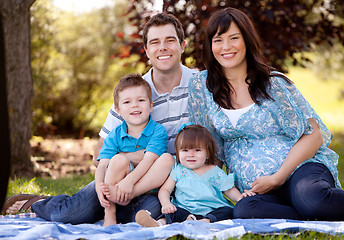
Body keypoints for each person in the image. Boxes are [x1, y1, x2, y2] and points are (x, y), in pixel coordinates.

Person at [3, 12, 198, 225]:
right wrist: (136, 158)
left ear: (182, 46)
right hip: (119, 175)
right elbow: (99, 155)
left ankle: (109, 210)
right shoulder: (135, 93)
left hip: (162, 185)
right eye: (155, 42)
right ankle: (40, 203)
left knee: (144, 216)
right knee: (67, 215)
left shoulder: (200, 86)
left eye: (170, 40)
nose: (163, 47)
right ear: (147, 52)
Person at [188, 7, 344, 221]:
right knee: (244, 211)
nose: (226, 47)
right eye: (218, 40)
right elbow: (208, 147)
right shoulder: (201, 87)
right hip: (258, 190)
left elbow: (314, 135)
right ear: (210, 45)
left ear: (247, 41)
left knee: (311, 198)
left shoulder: (273, 83)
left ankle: (326, 207)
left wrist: (277, 178)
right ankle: (314, 213)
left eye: (234, 38)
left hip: (300, 170)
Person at [135, 124, 253, 227]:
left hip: (211, 210)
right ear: (178, 152)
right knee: (171, 212)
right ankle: (159, 224)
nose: (190, 155)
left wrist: (239, 199)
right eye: (185, 151)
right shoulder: (179, 170)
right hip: (185, 210)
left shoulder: (215, 172)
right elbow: (165, 190)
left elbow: (229, 190)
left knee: (226, 211)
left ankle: (204, 222)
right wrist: (166, 204)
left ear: (208, 153)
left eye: (197, 150)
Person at [95, 74, 169, 226]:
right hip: (117, 186)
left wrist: (129, 183)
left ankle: (124, 196)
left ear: (150, 105)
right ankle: (110, 213)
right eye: (127, 102)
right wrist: (98, 187)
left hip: (147, 189)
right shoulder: (114, 134)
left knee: (168, 159)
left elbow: (149, 160)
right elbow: (102, 165)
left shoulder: (158, 131)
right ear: (118, 110)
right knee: (117, 159)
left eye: (141, 100)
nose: (134, 106)